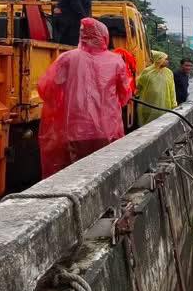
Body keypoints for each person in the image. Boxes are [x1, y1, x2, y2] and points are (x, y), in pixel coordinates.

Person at [37, 18, 133, 178]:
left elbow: (46, 88)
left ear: (82, 36)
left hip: (75, 130)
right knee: (106, 173)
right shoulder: (116, 60)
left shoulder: (67, 58)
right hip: (108, 130)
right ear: (104, 37)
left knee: (78, 175)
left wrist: (65, 100)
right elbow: (125, 94)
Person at [136, 50, 178, 125]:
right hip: (148, 105)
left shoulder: (169, 72)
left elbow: (172, 89)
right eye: (165, 59)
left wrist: (174, 104)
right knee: (148, 126)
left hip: (164, 106)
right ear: (159, 59)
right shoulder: (147, 71)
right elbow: (139, 85)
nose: (167, 61)